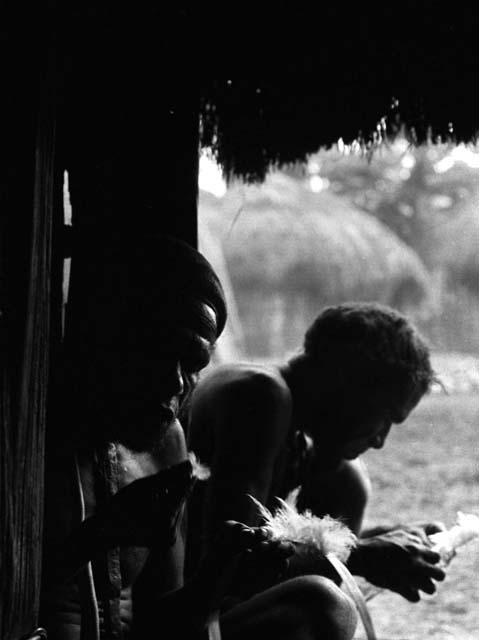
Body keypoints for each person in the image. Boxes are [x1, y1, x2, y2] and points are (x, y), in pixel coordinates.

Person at [40, 235, 357, 640]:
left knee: (320, 604)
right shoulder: (37, 442)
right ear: (106, 337)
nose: (173, 381)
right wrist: (99, 536)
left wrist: (216, 580)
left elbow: (161, 624)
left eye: (192, 364)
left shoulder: (166, 442)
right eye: (154, 351)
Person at [186, 302, 447, 603]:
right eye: (385, 417)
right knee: (321, 602)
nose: (380, 441)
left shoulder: (290, 422)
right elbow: (228, 561)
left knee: (348, 481)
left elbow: (258, 542)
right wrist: (359, 555)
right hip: (172, 611)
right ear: (350, 388)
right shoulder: (261, 395)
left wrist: (380, 544)